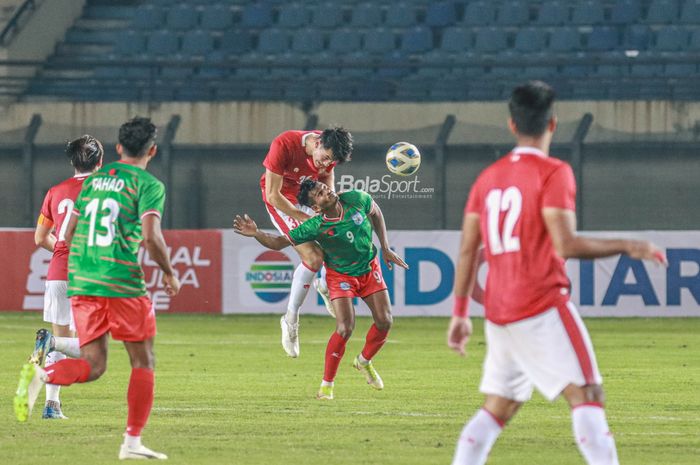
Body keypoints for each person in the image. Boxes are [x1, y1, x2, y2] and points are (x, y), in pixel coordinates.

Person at [447, 81, 667, 465]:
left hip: (499, 311)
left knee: (501, 406)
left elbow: (468, 249)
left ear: (512, 125)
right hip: (540, 304)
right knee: (588, 394)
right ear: (553, 124)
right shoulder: (553, 172)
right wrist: (629, 246)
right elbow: (566, 244)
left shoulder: (488, 177)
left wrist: (461, 312)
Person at [14, 117, 181, 460]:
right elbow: (151, 237)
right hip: (120, 280)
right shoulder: (148, 185)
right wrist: (169, 272)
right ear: (152, 150)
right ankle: (131, 443)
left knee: (94, 363)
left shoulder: (93, 183)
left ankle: (41, 374)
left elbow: (68, 234)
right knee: (142, 360)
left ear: (119, 148)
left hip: (83, 278)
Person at [234, 179, 407, 400]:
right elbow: (278, 243)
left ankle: (363, 361)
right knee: (345, 328)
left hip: (369, 267)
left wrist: (384, 246)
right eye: (319, 193)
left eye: (324, 188)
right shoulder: (315, 226)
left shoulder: (356, 198)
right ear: (315, 208)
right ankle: (326, 386)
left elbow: (376, 212)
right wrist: (256, 233)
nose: (326, 190)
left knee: (385, 322)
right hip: (341, 275)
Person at [260, 127, 353, 358]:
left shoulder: (329, 151)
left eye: (331, 161)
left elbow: (326, 175)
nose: (325, 164)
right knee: (313, 257)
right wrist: (305, 219)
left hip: (309, 201)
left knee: (337, 241)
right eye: (325, 158)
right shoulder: (284, 144)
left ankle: (323, 284)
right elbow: (273, 194)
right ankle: (290, 320)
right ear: (318, 142)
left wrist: (329, 206)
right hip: (282, 201)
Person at [32, 135, 104, 419]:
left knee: (62, 339)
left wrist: (63, 249)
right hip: (86, 273)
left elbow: (41, 237)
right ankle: (52, 342)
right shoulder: (102, 190)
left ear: (72, 161)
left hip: (57, 274)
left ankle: (52, 405)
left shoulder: (55, 191)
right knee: (92, 352)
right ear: (100, 161)